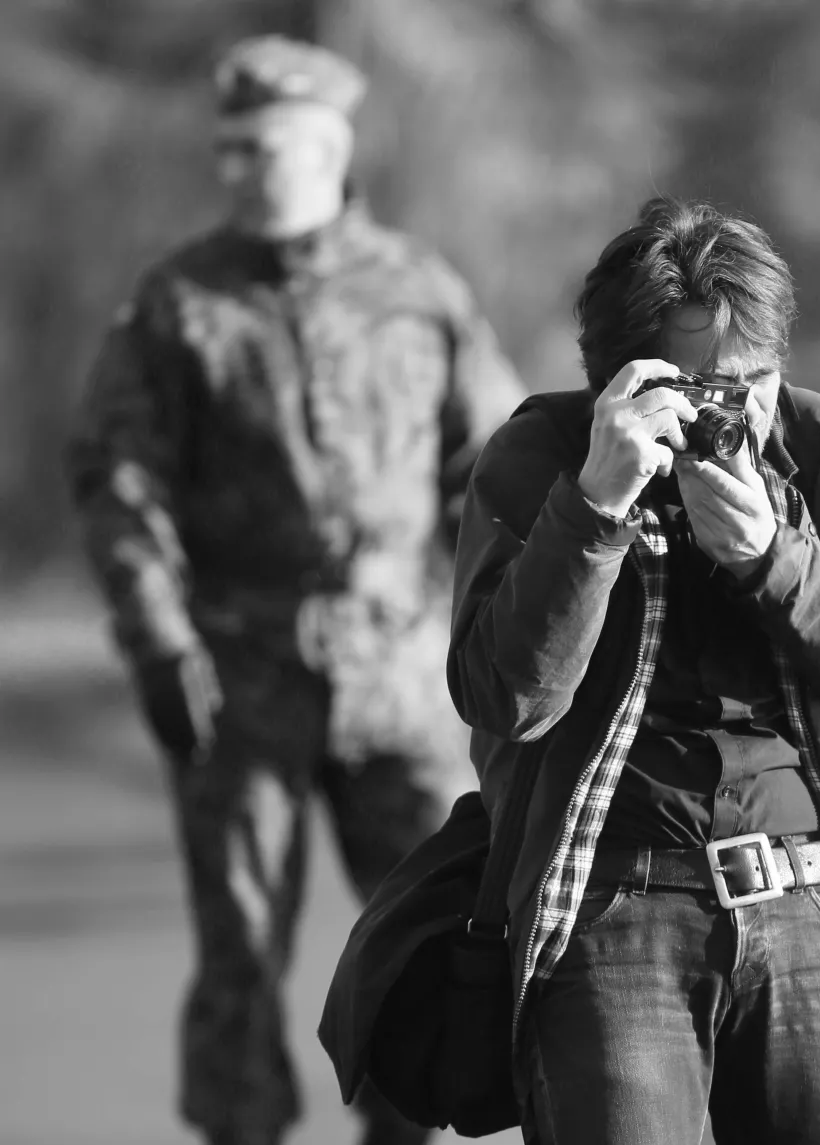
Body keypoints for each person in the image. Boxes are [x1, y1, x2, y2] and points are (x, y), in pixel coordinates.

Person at [67, 35, 528, 1145]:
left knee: (436, 933)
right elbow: (119, 483)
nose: (236, 168)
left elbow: (499, 470)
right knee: (237, 955)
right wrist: (157, 640)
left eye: (259, 146)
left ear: (327, 146)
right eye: (225, 148)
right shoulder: (179, 302)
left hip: (399, 672)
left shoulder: (419, 289)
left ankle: (404, 1129)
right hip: (240, 677)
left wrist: (501, 627)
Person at [446, 197, 820, 1145]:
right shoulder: (545, 455)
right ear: (616, 381)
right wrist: (595, 509)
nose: (727, 412)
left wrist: (780, 560)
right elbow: (505, 698)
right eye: (692, 387)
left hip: (816, 897)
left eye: (750, 381)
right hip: (612, 906)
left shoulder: (818, 446)